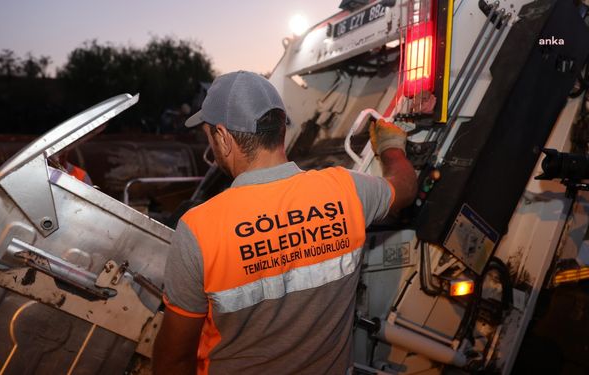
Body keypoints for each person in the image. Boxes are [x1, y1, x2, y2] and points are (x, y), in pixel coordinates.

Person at [153, 71, 417, 374]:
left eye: (210, 136)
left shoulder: (198, 229)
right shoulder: (348, 190)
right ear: (281, 129)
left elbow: (173, 360)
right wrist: (391, 146)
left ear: (223, 138)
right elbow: (406, 188)